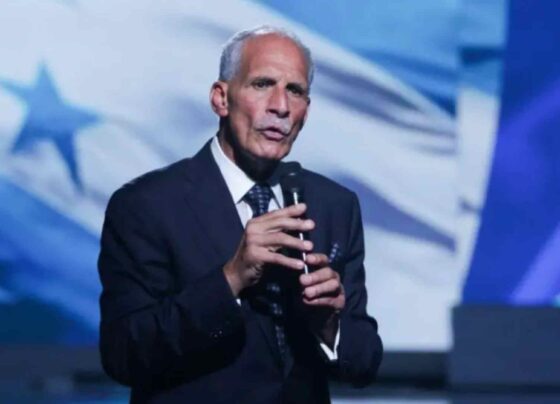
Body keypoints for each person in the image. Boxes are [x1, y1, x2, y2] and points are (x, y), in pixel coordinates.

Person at [98, 26, 382, 404]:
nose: (280, 106)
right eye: (262, 84)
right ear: (221, 98)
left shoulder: (334, 206)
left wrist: (328, 325)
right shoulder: (146, 205)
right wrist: (230, 279)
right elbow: (123, 355)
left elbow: (364, 363)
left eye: (295, 91)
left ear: (306, 110)